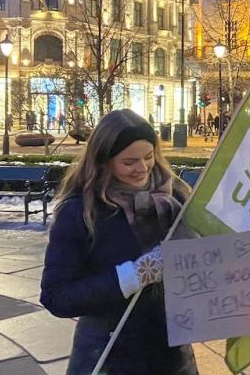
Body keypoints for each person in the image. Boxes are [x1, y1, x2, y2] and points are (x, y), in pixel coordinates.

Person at [40, 109, 199, 374]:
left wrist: (249, 291)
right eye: (129, 162)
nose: (142, 168)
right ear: (104, 161)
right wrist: (135, 274)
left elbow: (209, 264)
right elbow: (57, 296)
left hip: (172, 356)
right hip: (108, 355)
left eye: (149, 157)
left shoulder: (176, 197)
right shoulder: (80, 211)